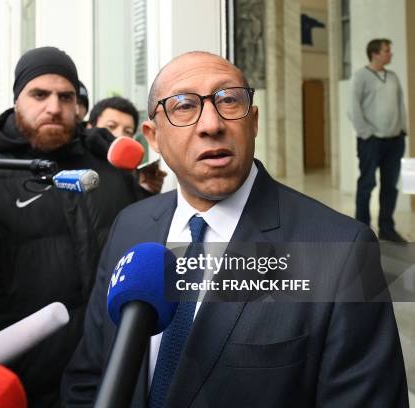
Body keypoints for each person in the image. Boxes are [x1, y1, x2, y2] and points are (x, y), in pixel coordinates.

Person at [62, 51, 407, 407]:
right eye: (183, 106)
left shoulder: (341, 250)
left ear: (253, 121)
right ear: (154, 136)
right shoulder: (129, 226)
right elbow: (89, 377)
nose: (211, 124)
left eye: (228, 100)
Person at [0, 46, 145, 407]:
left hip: (113, 372)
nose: (54, 107)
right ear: (16, 100)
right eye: (39, 95)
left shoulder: (110, 169)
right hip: (23, 383)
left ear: (78, 104)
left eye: (65, 96)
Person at [351, 38, 407, 244]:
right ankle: (362, 231)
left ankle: (387, 228)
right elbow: (353, 109)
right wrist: (367, 134)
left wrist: (403, 130)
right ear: (375, 54)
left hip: (395, 141)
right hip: (371, 142)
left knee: (390, 186)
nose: (390, 54)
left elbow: (401, 105)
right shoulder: (361, 77)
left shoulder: (393, 77)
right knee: (366, 184)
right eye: (387, 50)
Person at [88, 96, 167, 194]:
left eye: (128, 131)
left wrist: (146, 191)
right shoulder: (73, 159)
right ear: (89, 127)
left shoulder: (132, 175)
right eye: (111, 126)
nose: (119, 135)